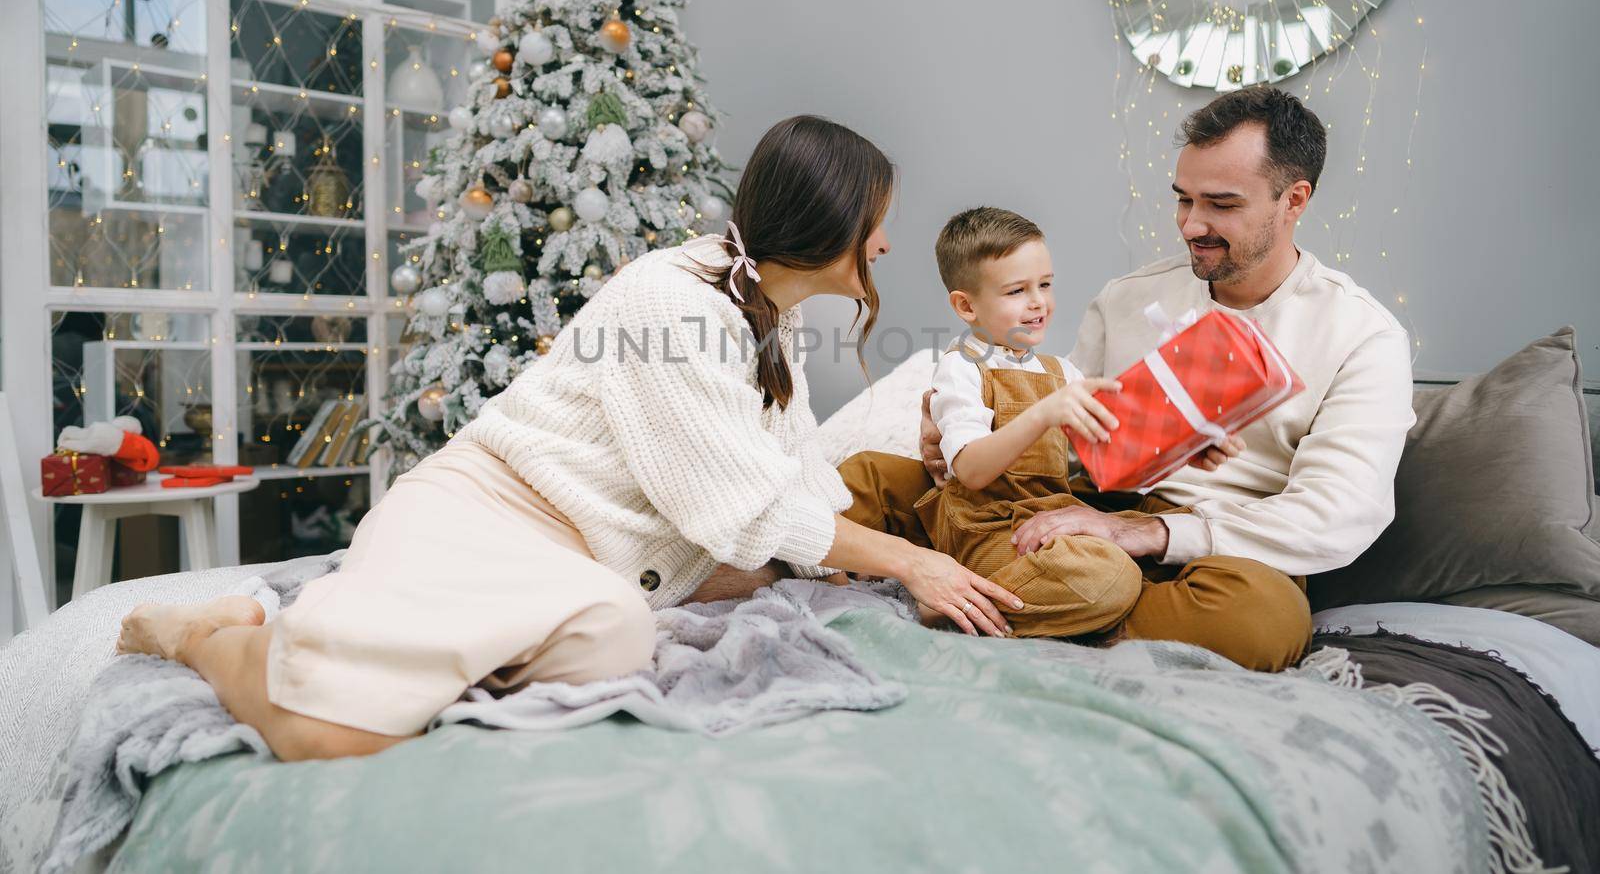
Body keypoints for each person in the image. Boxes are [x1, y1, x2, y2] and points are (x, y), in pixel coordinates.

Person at [115, 115, 1025, 762]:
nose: (888, 248)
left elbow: (800, 487)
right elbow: (752, 510)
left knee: (614, 638)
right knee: (327, 731)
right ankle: (202, 636)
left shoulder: (762, 324)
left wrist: (928, 487)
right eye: (878, 226)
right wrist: (914, 566)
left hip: (585, 563)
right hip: (488, 513)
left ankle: (404, 657)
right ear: (830, 225)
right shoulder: (673, 303)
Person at [838, 85, 1417, 671]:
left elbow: (1337, 515)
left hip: (1216, 548)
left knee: (1264, 621)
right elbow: (1069, 453)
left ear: (1293, 200)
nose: (1192, 225)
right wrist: (967, 437)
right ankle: (1048, 598)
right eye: (1184, 200)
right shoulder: (1130, 297)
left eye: (1222, 204)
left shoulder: (1363, 336)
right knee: (871, 478)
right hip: (1079, 512)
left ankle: (1006, 604)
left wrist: (1151, 533)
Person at [884, 206, 1244, 639]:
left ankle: (1030, 605)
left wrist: (1185, 446)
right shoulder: (962, 367)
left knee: (1159, 540)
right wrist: (1045, 413)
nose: (1038, 302)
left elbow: (1117, 455)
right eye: (1017, 290)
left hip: (1051, 521)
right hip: (989, 528)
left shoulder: (1063, 372)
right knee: (1110, 578)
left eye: (1045, 285)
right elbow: (971, 470)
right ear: (966, 305)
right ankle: (954, 604)